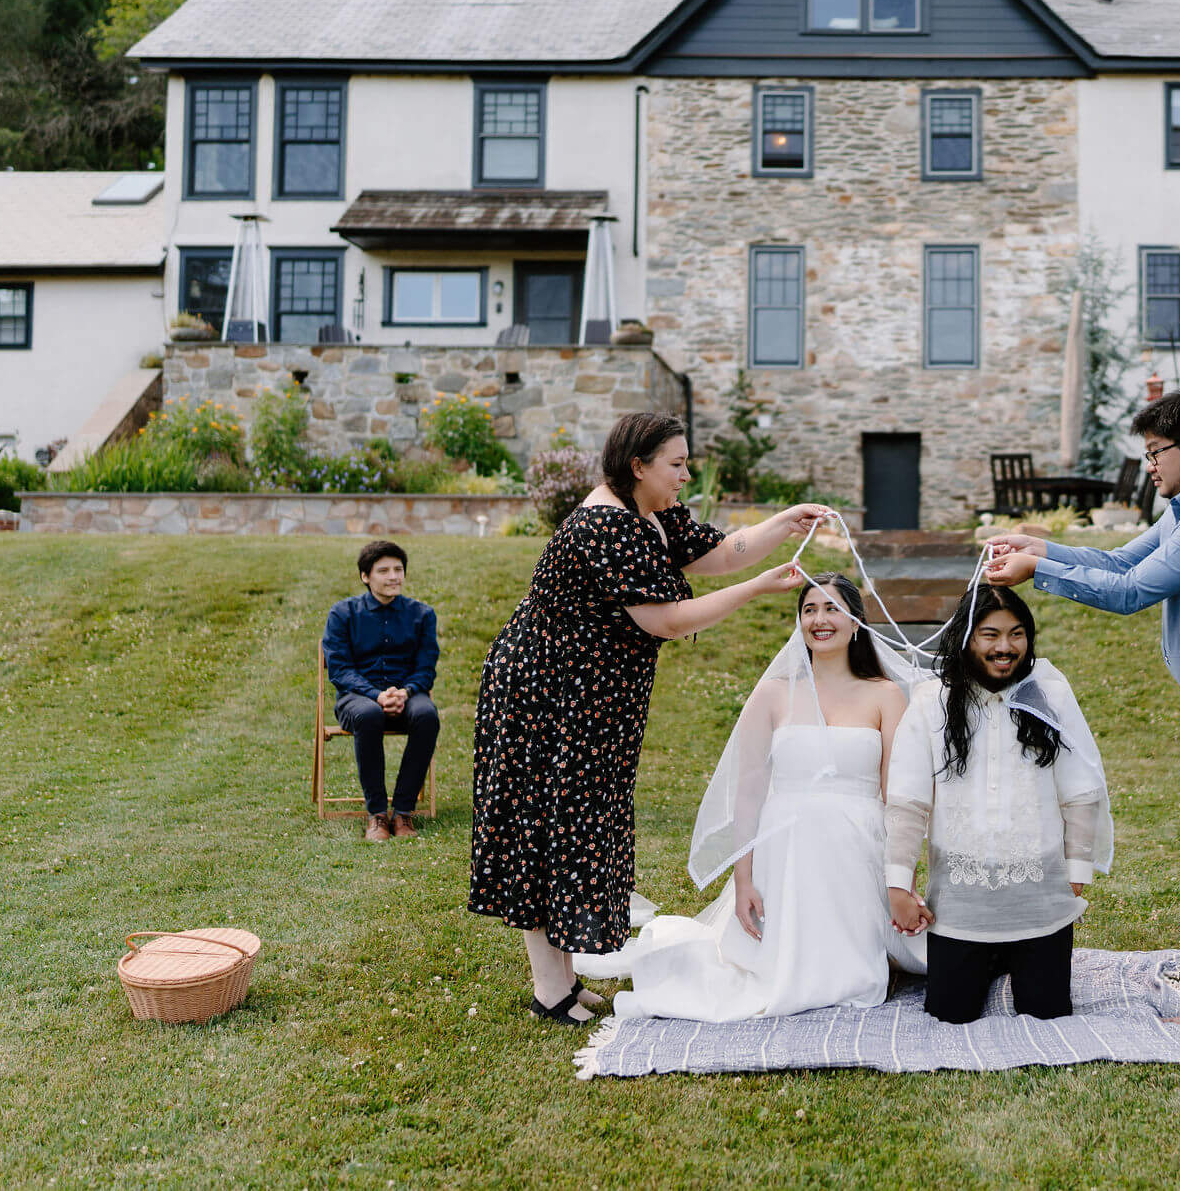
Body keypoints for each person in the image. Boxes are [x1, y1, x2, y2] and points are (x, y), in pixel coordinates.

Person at [466, 410, 825, 1027]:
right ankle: (550, 987)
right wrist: (758, 589)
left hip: (590, 695)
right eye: (677, 464)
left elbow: (715, 552)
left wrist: (784, 523)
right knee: (554, 827)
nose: (686, 474)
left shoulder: (647, 515)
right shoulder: (606, 527)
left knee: (579, 822)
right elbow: (665, 620)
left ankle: (562, 977)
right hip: (546, 697)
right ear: (638, 466)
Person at [984, 388, 1180, 1026]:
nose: (1150, 465)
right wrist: (1039, 549)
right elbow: (1117, 558)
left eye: (1157, 452)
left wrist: (1034, 574)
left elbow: (1130, 591)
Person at [575, 574, 927, 1019]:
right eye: (809, 610)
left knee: (864, 976)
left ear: (856, 622)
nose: (820, 619)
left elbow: (896, 795)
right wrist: (743, 880)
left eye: (832, 608)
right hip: (786, 852)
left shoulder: (886, 695)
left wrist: (902, 880)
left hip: (858, 850)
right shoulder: (775, 693)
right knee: (777, 972)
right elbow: (749, 792)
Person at [885, 584, 1113, 1024]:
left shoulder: (1050, 695)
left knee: (1046, 1013)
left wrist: (1078, 867)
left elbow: (1080, 789)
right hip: (959, 906)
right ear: (965, 638)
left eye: (1016, 634)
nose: (1005, 647)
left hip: (1040, 901)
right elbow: (908, 804)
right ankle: (985, 965)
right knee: (950, 1014)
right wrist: (898, 885)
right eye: (990, 635)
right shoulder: (931, 703)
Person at [323, 540, 440, 843]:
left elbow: (426, 667)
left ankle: (403, 812)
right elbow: (339, 670)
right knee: (369, 714)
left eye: (398, 570)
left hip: (408, 698)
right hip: (358, 701)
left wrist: (405, 692)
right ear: (366, 576)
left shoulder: (422, 615)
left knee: (428, 715)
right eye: (384, 570)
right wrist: (376, 695)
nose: (393, 577)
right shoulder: (342, 614)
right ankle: (377, 814)